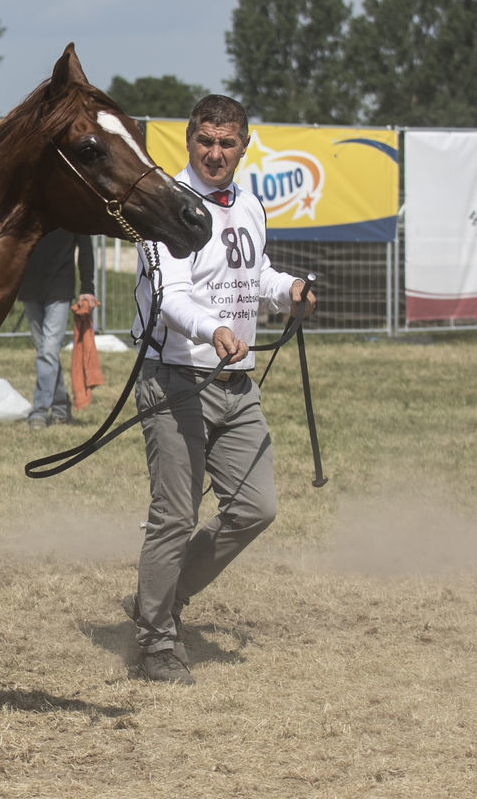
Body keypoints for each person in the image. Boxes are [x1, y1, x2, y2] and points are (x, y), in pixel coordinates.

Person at [124, 95, 316, 685]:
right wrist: (215, 329)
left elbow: (251, 273)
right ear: (189, 140)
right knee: (175, 516)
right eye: (205, 141)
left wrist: (288, 290)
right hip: (175, 378)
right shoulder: (166, 208)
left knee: (257, 507)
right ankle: (155, 640)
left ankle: (161, 597)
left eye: (226, 143)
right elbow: (172, 296)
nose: (214, 152)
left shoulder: (249, 204)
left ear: (243, 145)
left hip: (236, 383)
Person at [17, 228, 97, 430]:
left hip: (60, 288)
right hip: (29, 287)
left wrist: (87, 288)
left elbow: (85, 248)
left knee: (47, 352)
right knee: (46, 353)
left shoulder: (73, 206)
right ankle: (61, 407)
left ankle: (39, 411)